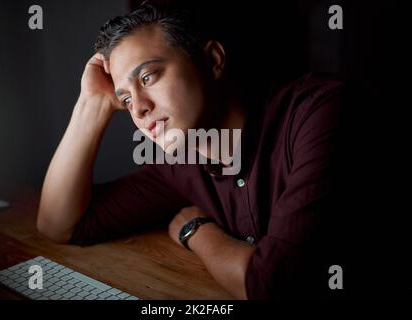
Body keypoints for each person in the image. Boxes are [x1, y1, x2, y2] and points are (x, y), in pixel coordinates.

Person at [37, 2, 344, 299]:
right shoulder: (181, 162)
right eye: (126, 100)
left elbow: (272, 285)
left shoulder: (319, 113)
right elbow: (58, 224)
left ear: (212, 60)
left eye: (148, 77)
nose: (139, 109)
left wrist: (196, 230)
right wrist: (92, 103)